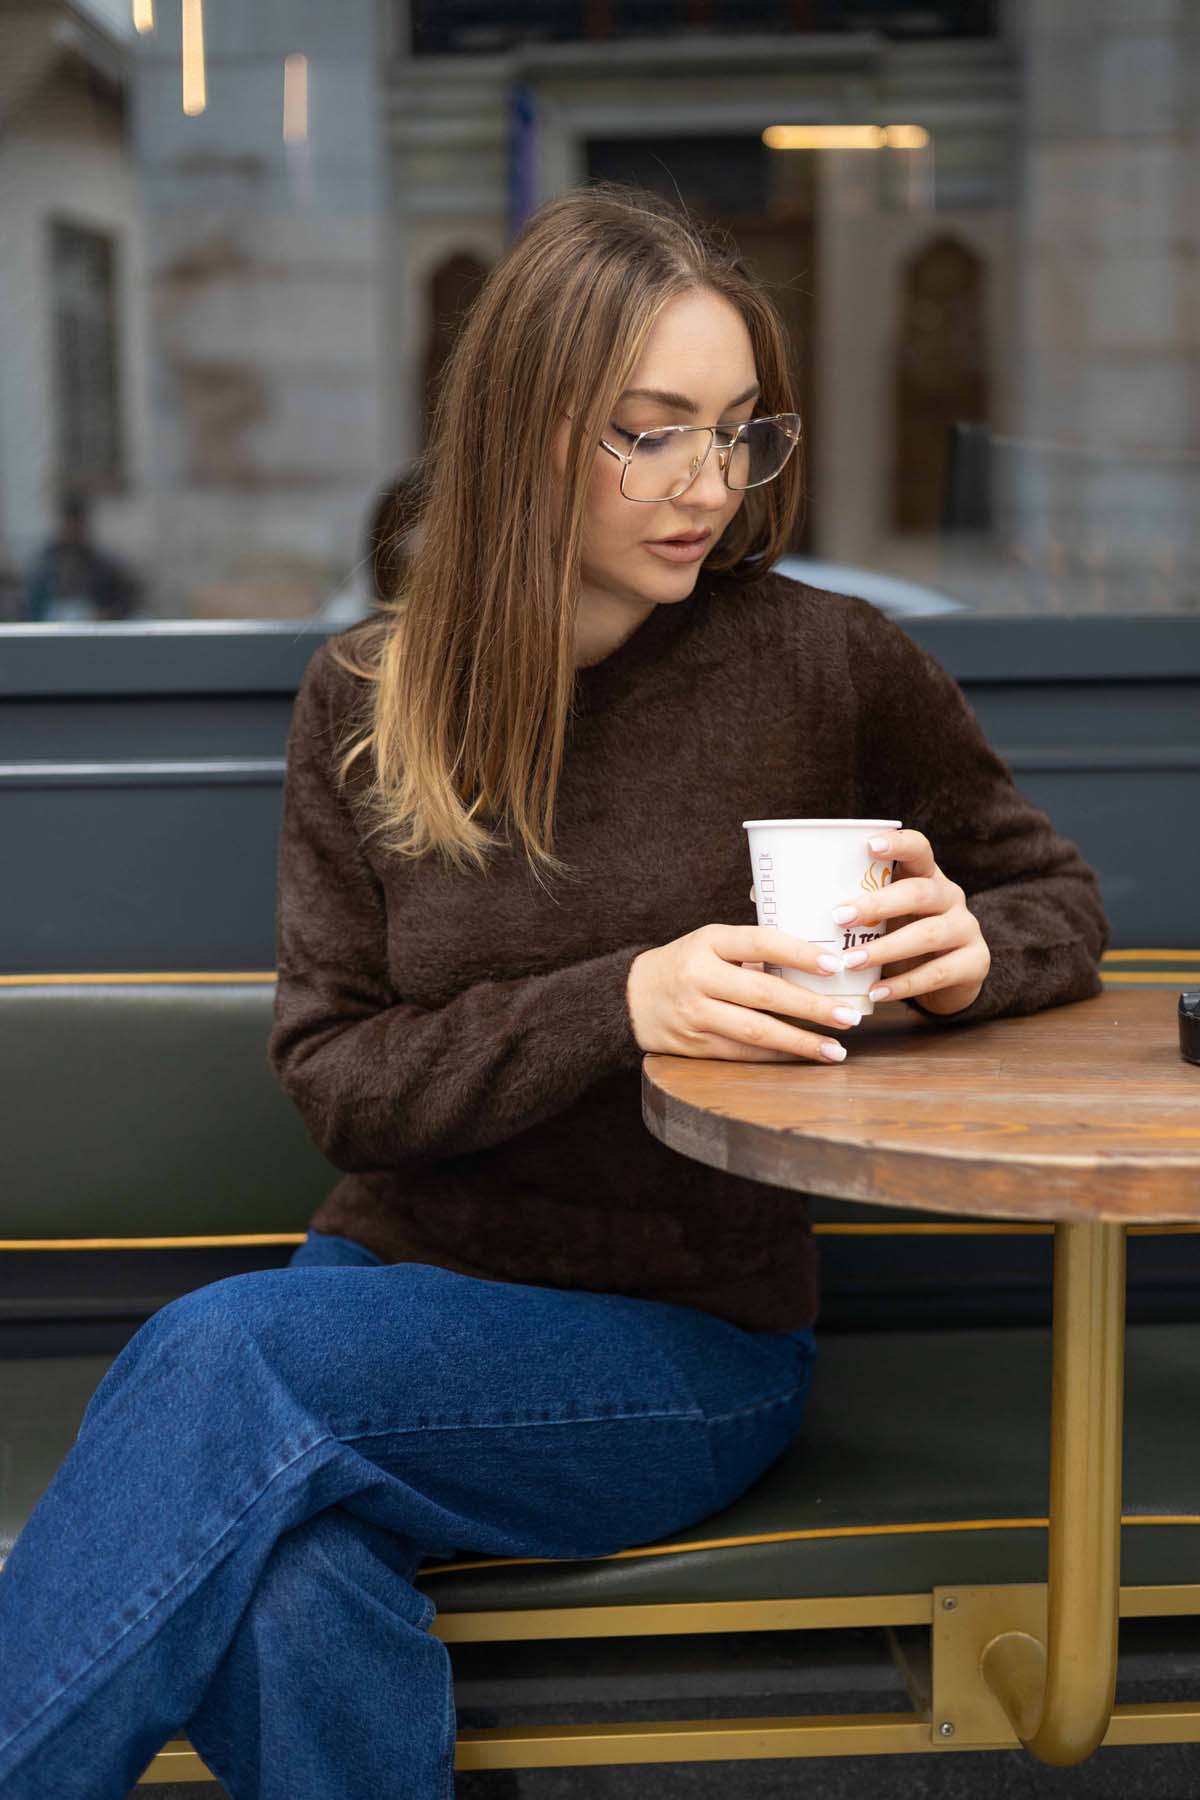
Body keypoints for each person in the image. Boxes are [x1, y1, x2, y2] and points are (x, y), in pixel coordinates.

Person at [0, 182, 1109, 1799]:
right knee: (293, 1584)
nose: (707, 488)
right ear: (527, 429)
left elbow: (1050, 893)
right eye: (647, 434)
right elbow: (338, 1078)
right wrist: (625, 1001)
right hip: (385, 1293)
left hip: (686, 1343)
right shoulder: (368, 698)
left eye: (738, 434)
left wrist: (978, 952)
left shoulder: (827, 662)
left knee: (223, 1361)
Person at [22, 492, 142, 623]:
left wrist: (103, 615)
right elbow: (32, 608)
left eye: (78, 523)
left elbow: (124, 602)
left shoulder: (102, 565)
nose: (73, 529)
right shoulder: (44, 566)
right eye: (70, 523)